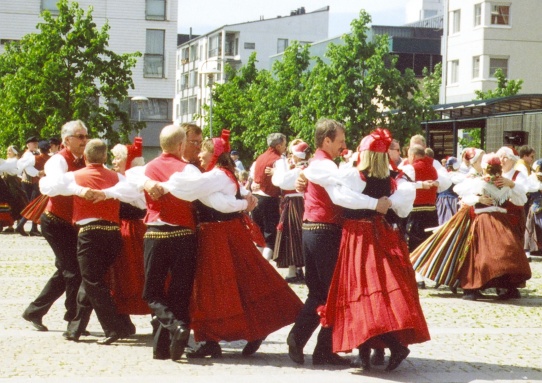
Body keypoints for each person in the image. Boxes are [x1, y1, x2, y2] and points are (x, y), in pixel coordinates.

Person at [162, 130, 303, 358]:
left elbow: (212, 199)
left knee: (216, 287)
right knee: (239, 283)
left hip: (217, 235)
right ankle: (223, 336)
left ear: (214, 154)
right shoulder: (221, 174)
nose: (200, 154)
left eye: (204, 150)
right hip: (222, 233)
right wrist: (244, 201)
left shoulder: (216, 175)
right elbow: (234, 197)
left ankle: (214, 339)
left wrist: (166, 182)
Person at [320, 128, 430, 372]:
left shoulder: (354, 175)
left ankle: (383, 348)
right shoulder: (392, 178)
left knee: (358, 291)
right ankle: (369, 352)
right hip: (380, 234)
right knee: (372, 292)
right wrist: (383, 204)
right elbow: (403, 204)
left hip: (358, 236)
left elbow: (337, 196)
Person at [54, 138, 142, 344]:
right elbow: (135, 194)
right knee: (91, 280)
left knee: (92, 281)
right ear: (104, 157)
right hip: (113, 233)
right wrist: (108, 193)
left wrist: (80, 190)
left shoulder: (74, 176)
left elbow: (47, 186)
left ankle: (114, 328)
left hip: (90, 234)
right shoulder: (116, 177)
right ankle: (76, 328)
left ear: (85, 156)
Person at [286, 118, 350, 366]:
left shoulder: (316, 164)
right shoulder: (325, 165)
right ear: (327, 140)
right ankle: (323, 349)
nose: (344, 146)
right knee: (334, 294)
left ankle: (299, 338)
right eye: (341, 141)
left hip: (312, 229)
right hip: (325, 231)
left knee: (319, 293)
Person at [135, 124, 199, 361]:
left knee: (153, 292)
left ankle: (168, 341)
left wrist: (147, 183)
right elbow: (195, 194)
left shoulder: (148, 168)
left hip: (156, 233)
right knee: (180, 291)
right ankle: (173, 340)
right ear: (181, 145)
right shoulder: (187, 169)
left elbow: (132, 182)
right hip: (184, 234)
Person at [22, 120, 88, 332]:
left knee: (65, 270)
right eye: (80, 136)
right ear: (66, 140)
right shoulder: (57, 161)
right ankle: (73, 319)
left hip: (71, 223)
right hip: (55, 222)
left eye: (85, 136)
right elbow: (60, 186)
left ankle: (34, 311)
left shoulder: (84, 159)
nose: (84, 140)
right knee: (72, 270)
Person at [107, 137, 150, 333]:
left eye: (117, 158)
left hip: (132, 230)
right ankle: (123, 319)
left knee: (133, 273)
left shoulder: (132, 179)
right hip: (127, 228)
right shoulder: (126, 178)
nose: (114, 162)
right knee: (126, 274)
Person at [271, 139, 311, 283]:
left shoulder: (296, 170)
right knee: (299, 234)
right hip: (306, 202)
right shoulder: (308, 167)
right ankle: (299, 269)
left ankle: (293, 270)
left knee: (292, 235)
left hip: (294, 202)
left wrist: (277, 170)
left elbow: (279, 181)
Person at [250, 133, 288, 260]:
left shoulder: (260, 157)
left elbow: (252, 176)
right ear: (278, 145)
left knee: (259, 236)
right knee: (270, 237)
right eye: (284, 144)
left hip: (256, 198)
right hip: (269, 199)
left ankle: (256, 267)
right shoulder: (279, 160)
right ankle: (264, 269)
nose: (285, 147)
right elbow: (283, 180)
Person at [15, 136, 47, 236]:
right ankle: (22, 226)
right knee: (33, 205)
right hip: (28, 183)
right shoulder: (27, 155)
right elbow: (28, 169)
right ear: (28, 145)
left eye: (36, 143)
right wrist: (38, 173)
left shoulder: (37, 154)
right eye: (33, 143)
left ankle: (33, 228)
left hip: (35, 182)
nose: (35, 145)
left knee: (36, 204)